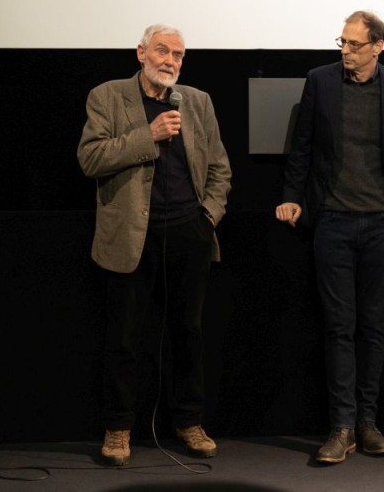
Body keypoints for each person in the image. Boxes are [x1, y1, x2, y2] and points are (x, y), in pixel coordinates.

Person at [275, 10, 384, 464]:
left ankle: (369, 422)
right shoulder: (320, 80)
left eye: (354, 44)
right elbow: (301, 145)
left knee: (374, 326)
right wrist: (291, 195)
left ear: (378, 46)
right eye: (342, 42)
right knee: (339, 326)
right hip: (332, 221)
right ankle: (341, 426)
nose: (345, 50)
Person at [77, 24, 232, 465]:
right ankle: (118, 428)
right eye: (162, 51)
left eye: (179, 55)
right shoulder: (107, 96)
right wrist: (151, 134)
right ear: (141, 52)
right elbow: (90, 158)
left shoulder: (197, 102)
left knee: (188, 334)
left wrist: (209, 215)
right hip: (130, 236)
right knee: (125, 338)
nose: (170, 61)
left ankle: (189, 421)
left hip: (189, 232)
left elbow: (220, 168)